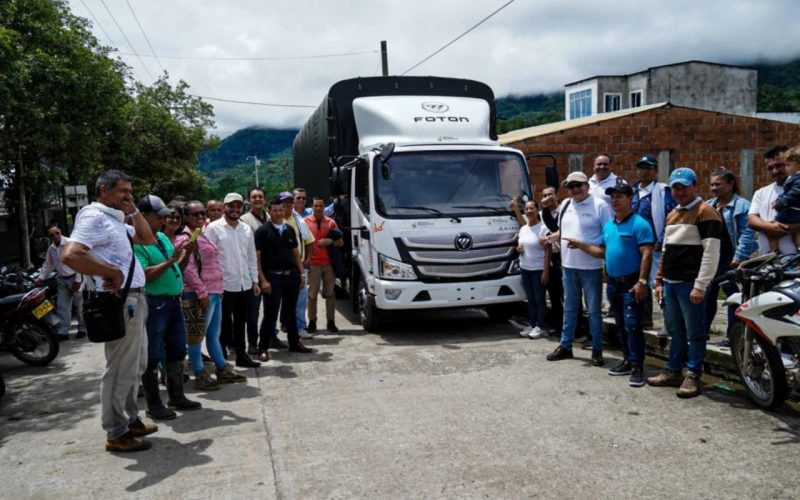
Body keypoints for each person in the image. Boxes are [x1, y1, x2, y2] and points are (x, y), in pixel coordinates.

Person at [62, 170, 157, 452]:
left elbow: (147, 237)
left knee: (136, 364)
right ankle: (116, 432)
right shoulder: (94, 217)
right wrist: (110, 271)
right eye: (122, 191)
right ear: (104, 191)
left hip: (135, 299)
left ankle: (129, 419)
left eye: (130, 190)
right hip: (120, 301)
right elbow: (71, 254)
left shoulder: (115, 219)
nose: (128, 195)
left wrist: (134, 209)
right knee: (119, 369)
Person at [566, 181, 654, 387]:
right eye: (612, 197)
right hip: (614, 284)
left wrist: (642, 282)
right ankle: (626, 360)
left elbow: (647, 254)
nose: (615, 200)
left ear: (630, 199)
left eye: (619, 196)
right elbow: (602, 252)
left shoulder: (640, 224)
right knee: (621, 326)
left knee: (633, 326)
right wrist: (581, 245)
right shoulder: (609, 225)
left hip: (632, 284)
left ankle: (637, 366)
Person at [648, 168, 722, 398]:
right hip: (670, 283)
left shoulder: (706, 212)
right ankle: (673, 369)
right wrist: (659, 280)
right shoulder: (673, 214)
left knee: (696, 332)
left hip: (690, 284)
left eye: (684, 187)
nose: (679, 192)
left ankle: (693, 374)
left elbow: (711, 253)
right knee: (675, 331)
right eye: (675, 188)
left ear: (694, 186)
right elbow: (666, 251)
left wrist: (700, 285)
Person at [134, 195, 202, 419]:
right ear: (143, 217)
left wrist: (185, 254)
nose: (162, 220)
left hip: (172, 301)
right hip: (155, 303)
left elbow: (177, 269)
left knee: (176, 350)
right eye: (158, 216)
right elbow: (144, 275)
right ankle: (154, 405)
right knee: (152, 354)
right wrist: (171, 260)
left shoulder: (161, 237)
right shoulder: (138, 243)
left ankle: (176, 397)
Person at [541, 172, 612, 366]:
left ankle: (597, 348)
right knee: (570, 309)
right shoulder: (566, 205)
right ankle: (566, 346)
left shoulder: (600, 206)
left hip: (592, 267)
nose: (574, 189)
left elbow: (608, 237)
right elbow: (563, 231)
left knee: (594, 311)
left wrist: (606, 266)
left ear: (587, 186)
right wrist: (550, 238)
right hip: (568, 266)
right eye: (570, 186)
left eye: (578, 185)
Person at [176, 201, 248, 387]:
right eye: (195, 214)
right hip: (198, 294)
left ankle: (222, 368)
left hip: (213, 292)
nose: (200, 217)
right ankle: (200, 373)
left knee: (213, 334)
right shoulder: (185, 238)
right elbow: (188, 269)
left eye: (202, 213)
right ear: (186, 217)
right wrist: (202, 292)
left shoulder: (202, 234)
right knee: (196, 337)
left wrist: (218, 289)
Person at [204, 193, 262, 368]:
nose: (235, 209)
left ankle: (241, 355)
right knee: (222, 324)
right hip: (223, 285)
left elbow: (251, 256)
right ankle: (221, 358)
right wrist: (214, 284)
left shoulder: (246, 229)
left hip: (244, 283)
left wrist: (254, 281)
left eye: (238, 206)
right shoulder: (213, 229)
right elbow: (209, 259)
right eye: (231, 206)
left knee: (241, 321)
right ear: (224, 207)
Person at [255, 198, 313, 361]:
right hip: (272, 277)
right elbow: (256, 257)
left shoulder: (288, 229)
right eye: (275, 210)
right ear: (269, 211)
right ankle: (263, 347)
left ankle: (294, 343)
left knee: (290, 313)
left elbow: (295, 252)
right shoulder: (262, 231)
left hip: (291, 276)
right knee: (270, 314)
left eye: (281, 210)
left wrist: (301, 274)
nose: (279, 213)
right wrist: (263, 280)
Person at [707, 167, 757, 347]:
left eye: (718, 184)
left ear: (730, 184)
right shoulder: (709, 205)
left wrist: (739, 257)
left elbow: (747, 234)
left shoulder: (742, 205)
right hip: (713, 257)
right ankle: (703, 332)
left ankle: (731, 335)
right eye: (712, 184)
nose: (714, 188)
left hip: (731, 258)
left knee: (733, 296)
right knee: (707, 294)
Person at [631, 155, 676, 331]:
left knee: (658, 283)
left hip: (656, 246)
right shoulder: (632, 191)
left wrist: (661, 240)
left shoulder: (663, 191)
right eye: (641, 167)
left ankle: (669, 322)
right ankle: (644, 319)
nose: (644, 171)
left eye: (648, 168)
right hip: (635, 247)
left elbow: (671, 217)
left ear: (655, 171)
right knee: (640, 283)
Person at [35, 222, 86, 341]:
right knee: (62, 306)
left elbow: (79, 261)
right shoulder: (51, 249)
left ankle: (82, 328)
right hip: (62, 279)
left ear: (60, 232)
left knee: (79, 305)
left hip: (75, 277)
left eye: (56, 233)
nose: (55, 236)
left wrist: (78, 280)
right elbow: (48, 264)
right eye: (52, 235)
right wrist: (40, 278)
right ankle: (63, 331)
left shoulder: (70, 243)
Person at [240, 188, 275, 354]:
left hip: (272, 270)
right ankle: (252, 342)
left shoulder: (271, 217)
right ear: (249, 200)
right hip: (252, 271)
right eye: (254, 197)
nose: (258, 199)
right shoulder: (244, 220)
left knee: (272, 308)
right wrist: (258, 277)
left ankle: (270, 338)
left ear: (265, 199)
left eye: (261, 196)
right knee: (253, 310)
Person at [748, 145, 800, 256]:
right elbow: (751, 220)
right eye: (770, 168)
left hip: (795, 264)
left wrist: (788, 228)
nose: (775, 171)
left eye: (779, 165)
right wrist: (771, 228)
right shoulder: (761, 193)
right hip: (767, 262)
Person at [303, 197, 343, 333]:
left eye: (321, 205)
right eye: (316, 205)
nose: (318, 208)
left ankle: (331, 322)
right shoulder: (305, 222)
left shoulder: (331, 222)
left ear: (324, 206)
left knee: (330, 294)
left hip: (328, 264)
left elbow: (340, 243)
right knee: (312, 295)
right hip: (313, 264)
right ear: (312, 206)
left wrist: (330, 241)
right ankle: (312, 322)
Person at [512, 200, 550, 339]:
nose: (529, 211)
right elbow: (520, 246)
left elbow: (548, 251)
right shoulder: (523, 228)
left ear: (537, 210)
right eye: (527, 209)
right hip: (525, 268)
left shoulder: (543, 228)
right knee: (530, 299)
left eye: (532, 208)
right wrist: (518, 249)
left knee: (540, 299)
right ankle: (532, 324)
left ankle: (540, 326)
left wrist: (546, 271)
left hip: (538, 268)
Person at [279, 191, 315, 337]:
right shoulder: (275, 219)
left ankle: (300, 328)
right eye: (284, 202)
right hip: (278, 268)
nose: (287, 204)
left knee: (300, 299)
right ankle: (277, 330)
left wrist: (306, 261)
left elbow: (309, 242)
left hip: (298, 267)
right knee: (278, 300)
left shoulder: (299, 221)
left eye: (290, 201)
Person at [539, 187, 564, 334]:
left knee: (566, 294)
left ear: (556, 196)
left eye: (550, 194)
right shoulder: (541, 214)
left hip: (564, 255)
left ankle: (576, 328)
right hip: (550, 256)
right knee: (553, 295)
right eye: (544, 195)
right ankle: (558, 326)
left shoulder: (565, 211)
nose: (548, 197)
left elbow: (557, 230)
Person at [769, 146, 800, 252]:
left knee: (771, 229)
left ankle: (773, 252)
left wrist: (779, 204)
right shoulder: (794, 178)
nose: (786, 168)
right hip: (796, 212)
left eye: (788, 165)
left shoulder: (797, 179)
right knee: (797, 233)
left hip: (792, 211)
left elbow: (793, 194)